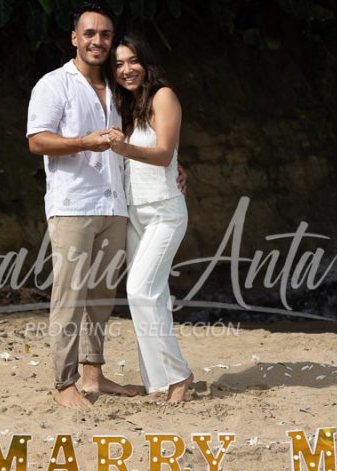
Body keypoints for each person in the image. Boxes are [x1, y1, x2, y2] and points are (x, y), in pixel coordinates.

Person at [26, 3, 137, 409]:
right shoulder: (54, 84)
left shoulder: (118, 88)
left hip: (114, 205)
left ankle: (93, 374)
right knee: (70, 297)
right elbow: (36, 140)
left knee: (101, 298)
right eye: (89, 33)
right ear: (75, 37)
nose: (97, 41)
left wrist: (174, 167)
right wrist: (83, 142)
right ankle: (64, 383)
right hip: (73, 205)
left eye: (105, 34)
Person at [106, 35, 194, 403]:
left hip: (164, 211)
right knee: (152, 297)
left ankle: (179, 374)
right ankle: (158, 382)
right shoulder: (128, 105)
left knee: (139, 290)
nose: (126, 69)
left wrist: (122, 147)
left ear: (146, 62)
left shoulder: (163, 96)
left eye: (133, 61)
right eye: (119, 64)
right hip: (135, 212)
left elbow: (163, 153)